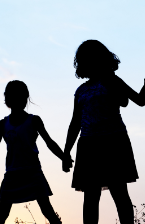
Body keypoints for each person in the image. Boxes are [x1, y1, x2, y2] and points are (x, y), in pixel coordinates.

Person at [0, 80, 70, 224]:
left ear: (25, 98)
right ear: (8, 99)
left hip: (33, 173)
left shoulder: (34, 120)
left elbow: (49, 142)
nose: (18, 100)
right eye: (13, 96)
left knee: (47, 210)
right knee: (1, 215)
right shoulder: (2, 124)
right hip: (12, 174)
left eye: (21, 96)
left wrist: (63, 157)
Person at [63, 40, 145, 224]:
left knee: (119, 192)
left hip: (113, 142)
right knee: (91, 197)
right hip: (88, 146)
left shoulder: (112, 80)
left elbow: (136, 100)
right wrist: (66, 152)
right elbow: (75, 122)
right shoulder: (81, 91)